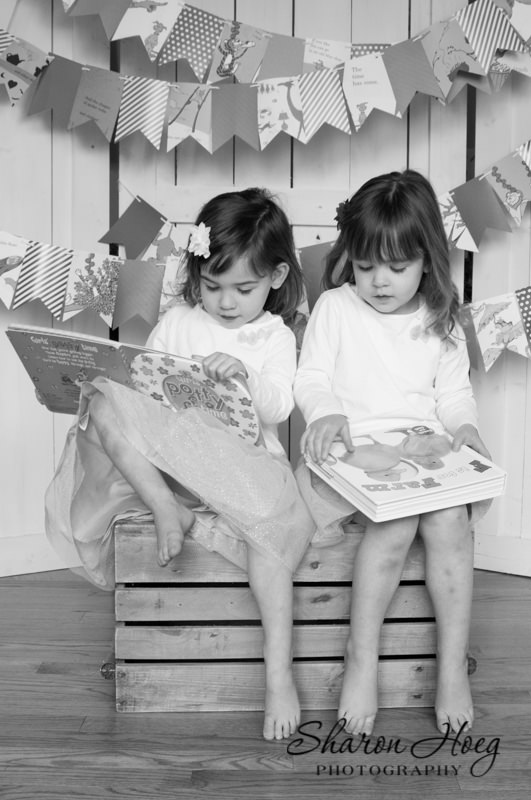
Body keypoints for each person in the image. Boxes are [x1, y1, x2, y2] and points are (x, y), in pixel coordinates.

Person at [45, 187, 315, 741]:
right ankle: (166, 507)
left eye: (244, 288)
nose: (226, 302)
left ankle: (278, 675)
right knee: (102, 398)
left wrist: (240, 372)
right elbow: (143, 388)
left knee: (271, 545)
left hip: (243, 470)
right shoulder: (178, 321)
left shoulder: (272, 335)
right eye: (212, 286)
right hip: (172, 468)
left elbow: (280, 405)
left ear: (278, 277)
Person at [293, 169, 491, 739]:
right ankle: (362, 658)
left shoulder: (440, 320)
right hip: (351, 451)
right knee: (399, 518)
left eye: (397, 268)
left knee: (451, 517)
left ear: (427, 260)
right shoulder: (335, 308)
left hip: (419, 450)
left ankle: (452, 666)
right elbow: (311, 377)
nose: (379, 281)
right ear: (348, 259)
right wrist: (327, 410)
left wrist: (467, 430)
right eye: (365, 266)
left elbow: (453, 396)